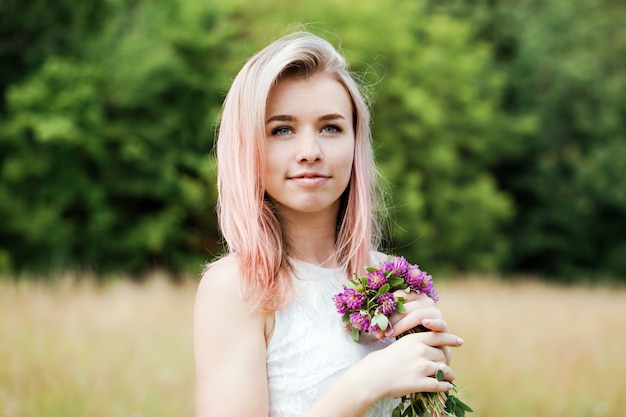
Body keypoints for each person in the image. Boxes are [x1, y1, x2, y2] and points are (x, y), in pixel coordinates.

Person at [193, 30, 464, 417]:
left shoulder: (389, 279)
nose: (310, 152)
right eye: (282, 129)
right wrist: (364, 384)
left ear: (356, 142)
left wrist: (430, 365)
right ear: (247, 145)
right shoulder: (237, 287)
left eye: (331, 127)